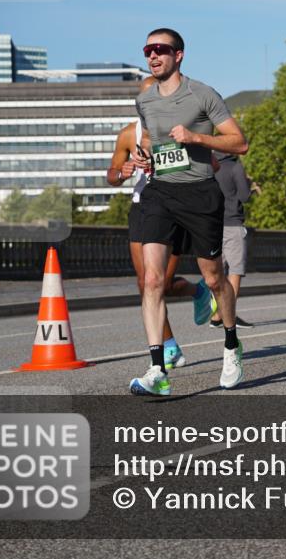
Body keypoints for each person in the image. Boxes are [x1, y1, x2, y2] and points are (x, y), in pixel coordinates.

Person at [128, 28, 249, 396]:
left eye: (161, 49)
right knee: (152, 281)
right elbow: (154, 142)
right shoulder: (145, 101)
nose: (153, 55)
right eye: (148, 49)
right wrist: (144, 158)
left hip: (199, 194)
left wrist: (197, 138)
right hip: (160, 193)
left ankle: (231, 346)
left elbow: (239, 142)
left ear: (178, 55)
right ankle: (156, 370)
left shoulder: (203, 94)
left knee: (213, 279)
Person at [107, 76, 215, 372]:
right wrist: (124, 171)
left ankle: (198, 291)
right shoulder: (129, 134)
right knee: (146, 283)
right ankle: (169, 348)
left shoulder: (182, 128)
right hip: (144, 206)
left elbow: (211, 165)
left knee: (163, 283)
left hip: (178, 204)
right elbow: (112, 173)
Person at [209, 151, 259, 328]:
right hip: (232, 223)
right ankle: (229, 314)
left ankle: (216, 316)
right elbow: (244, 196)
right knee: (235, 269)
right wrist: (250, 184)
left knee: (216, 271)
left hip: (211, 224)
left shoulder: (209, 164)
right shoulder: (235, 166)